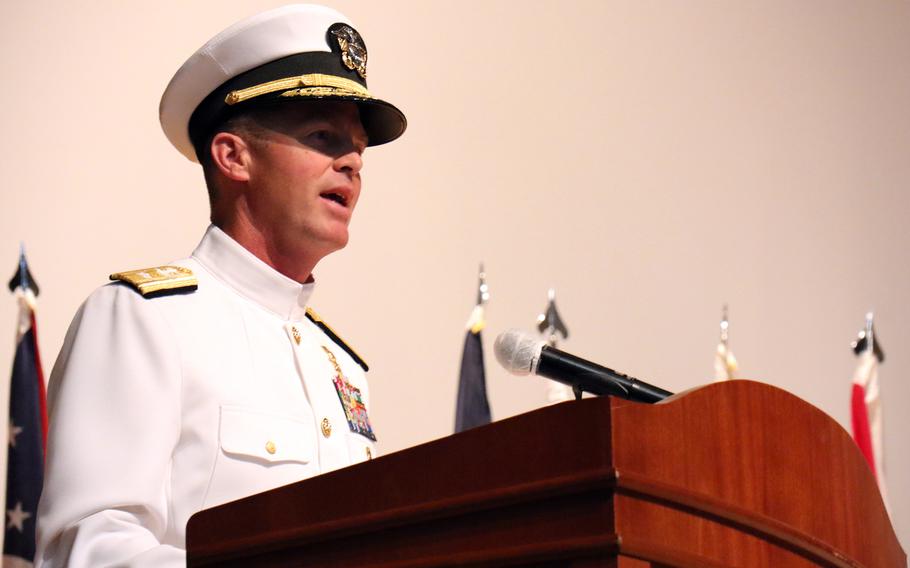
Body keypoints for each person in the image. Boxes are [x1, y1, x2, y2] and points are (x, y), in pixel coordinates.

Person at [34, 4, 406, 566]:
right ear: (233, 156)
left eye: (356, 146)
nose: (352, 161)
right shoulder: (143, 319)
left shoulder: (342, 366)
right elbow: (86, 550)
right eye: (323, 136)